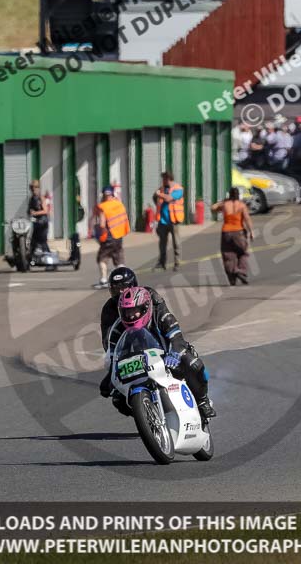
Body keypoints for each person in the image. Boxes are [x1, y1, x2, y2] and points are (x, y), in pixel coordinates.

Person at [99, 285, 216, 420]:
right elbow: (114, 357)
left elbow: (177, 339)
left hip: (168, 356)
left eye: (134, 310)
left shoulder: (161, 316)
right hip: (140, 362)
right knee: (117, 399)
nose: (130, 316)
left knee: (193, 363)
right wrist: (110, 378)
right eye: (126, 312)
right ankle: (147, 417)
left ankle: (202, 401)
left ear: (145, 307)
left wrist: (174, 354)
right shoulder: (117, 329)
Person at [212, 187, 253, 285]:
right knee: (243, 252)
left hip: (226, 232)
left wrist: (222, 201)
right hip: (239, 232)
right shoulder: (242, 205)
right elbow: (247, 219)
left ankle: (232, 275)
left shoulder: (225, 204)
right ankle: (241, 271)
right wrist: (251, 231)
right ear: (238, 195)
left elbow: (213, 208)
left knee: (228, 254)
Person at [92, 185, 130, 289]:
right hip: (119, 235)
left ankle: (103, 280)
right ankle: (124, 280)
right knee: (118, 258)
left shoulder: (103, 207)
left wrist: (97, 233)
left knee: (102, 258)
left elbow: (102, 224)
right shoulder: (119, 205)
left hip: (108, 236)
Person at [154, 171, 184, 272]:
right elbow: (155, 198)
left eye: (164, 179)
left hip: (173, 220)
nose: (162, 181)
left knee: (176, 243)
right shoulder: (161, 189)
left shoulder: (178, 189)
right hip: (162, 221)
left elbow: (168, 198)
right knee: (162, 244)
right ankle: (162, 263)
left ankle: (177, 263)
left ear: (169, 179)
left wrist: (159, 194)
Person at [28, 179, 50, 258]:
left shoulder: (41, 198)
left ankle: (49, 258)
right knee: (33, 241)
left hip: (43, 222)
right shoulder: (32, 199)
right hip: (36, 223)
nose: (34, 190)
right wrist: (30, 212)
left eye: (36, 188)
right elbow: (29, 210)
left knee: (43, 240)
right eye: (32, 188)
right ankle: (30, 259)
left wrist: (36, 213)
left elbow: (45, 211)